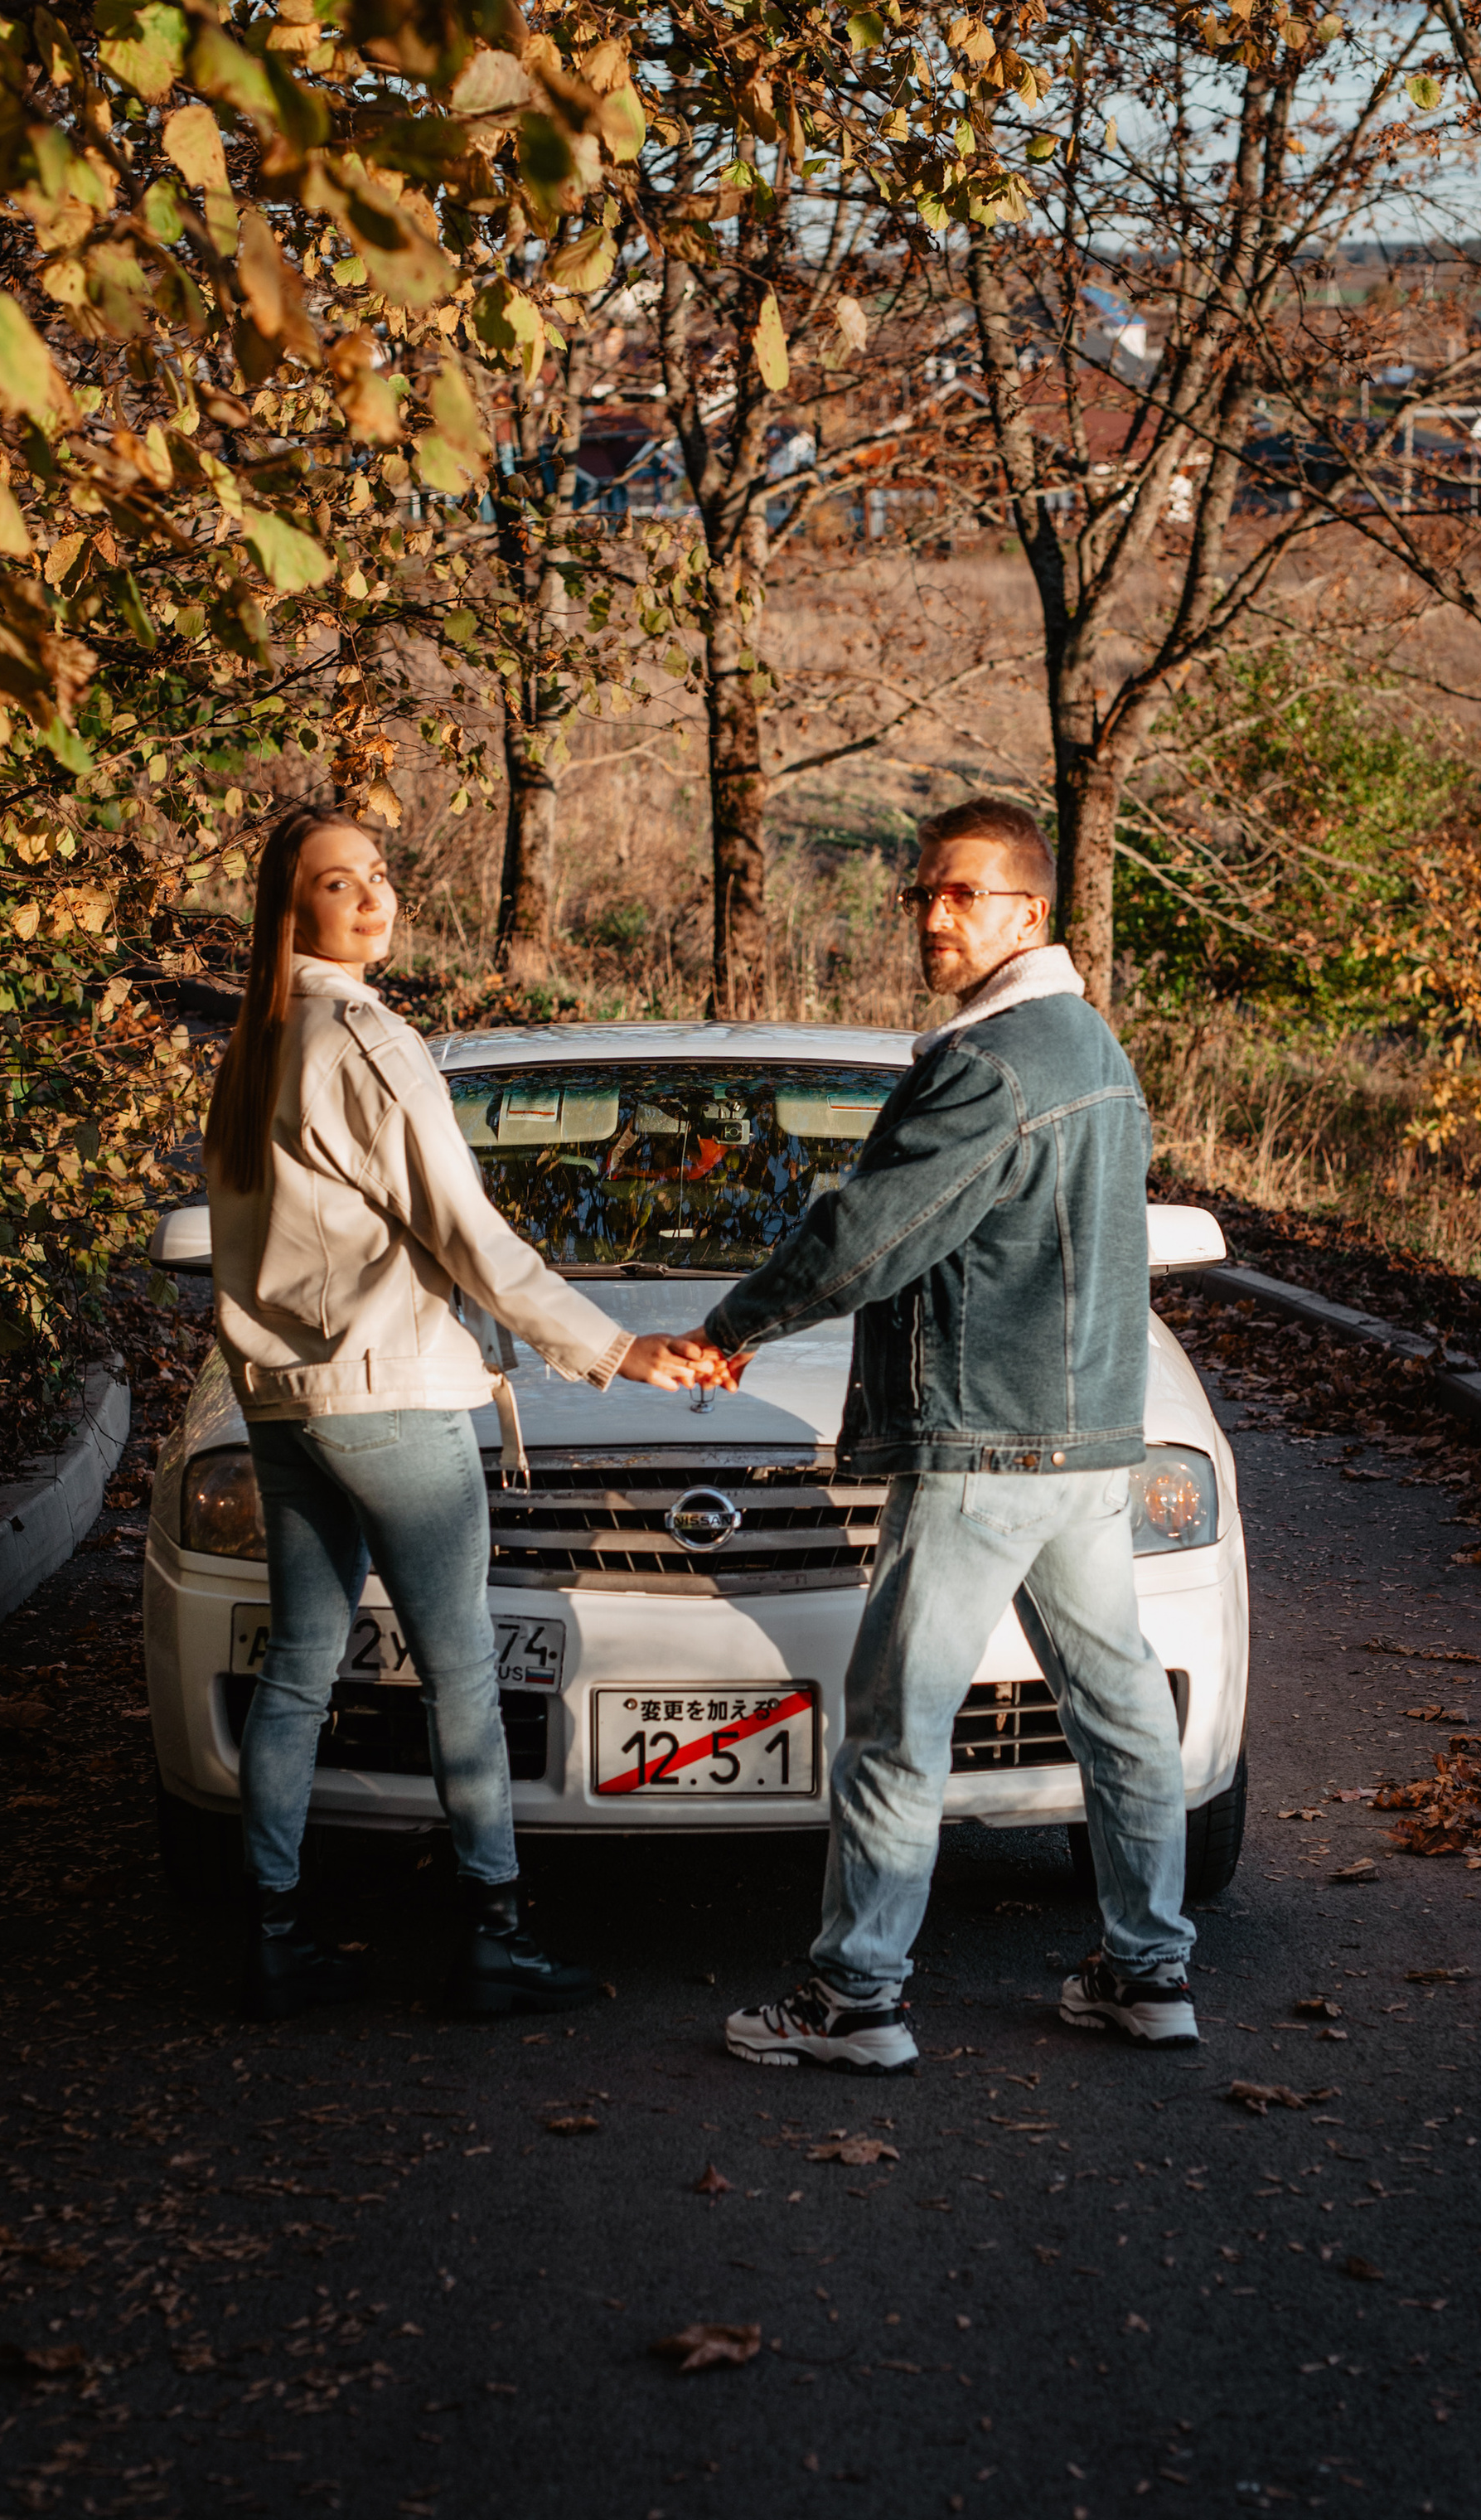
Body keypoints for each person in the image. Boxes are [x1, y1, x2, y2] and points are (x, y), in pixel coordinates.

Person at [690, 799, 1198, 2070]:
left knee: (897, 1724)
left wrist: (742, 1320)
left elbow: (869, 1233)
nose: (932, 914)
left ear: (1031, 912)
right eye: (921, 891)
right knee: (1120, 1711)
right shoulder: (1096, 1052)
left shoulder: (993, 1063)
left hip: (984, 1446)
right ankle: (1150, 1973)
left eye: (962, 893)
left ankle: (855, 1997)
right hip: (1085, 1446)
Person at [204, 805, 721, 2022]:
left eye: (381, 873)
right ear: (294, 911)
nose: (375, 897)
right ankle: (492, 1934)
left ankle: (270, 1938)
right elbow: (471, 1235)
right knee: (462, 1673)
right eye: (342, 883)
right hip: (391, 1403)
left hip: (287, 1405)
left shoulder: (255, 1046)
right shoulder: (366, 1039)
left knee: (296, 1670)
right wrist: (615, 1347)